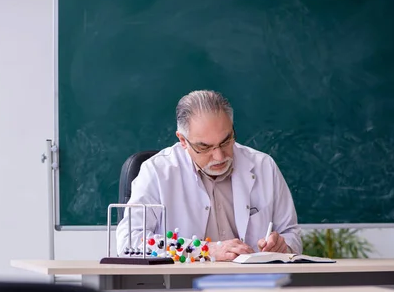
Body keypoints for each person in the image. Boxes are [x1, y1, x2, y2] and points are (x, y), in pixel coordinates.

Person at [116, 90, 302, 261]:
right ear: (183, 141)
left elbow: (291, 233)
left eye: (226, 141)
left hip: (253, 286)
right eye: (204, 147)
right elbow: (129, 241)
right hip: (182, 287)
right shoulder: (157, 171)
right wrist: (205, 250)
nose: (219, 156)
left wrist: (282, 245)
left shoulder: (264, 166)